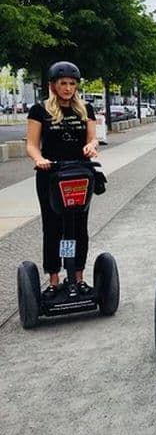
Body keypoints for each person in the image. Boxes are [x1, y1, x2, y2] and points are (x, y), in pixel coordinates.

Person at [26, 61, 99, 298]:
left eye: (72, 84)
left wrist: (91, 146)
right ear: (53, 85)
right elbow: (32, 145)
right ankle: (54, 279)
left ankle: (78, 277)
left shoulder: (85, 109)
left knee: (79, 226)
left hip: (79, 175)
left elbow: (92, 138)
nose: (68, 88)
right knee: (53, 227)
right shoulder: (39, 110)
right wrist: (39, 159)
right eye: (63, 83)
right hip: (51, 175)